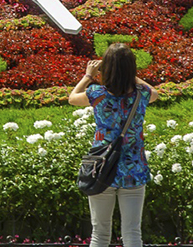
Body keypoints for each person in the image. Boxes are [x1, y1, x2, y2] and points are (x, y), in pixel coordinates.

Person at [68, 43, 159, 247]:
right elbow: (156, 93)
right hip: (134, 168)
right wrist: (128, 74)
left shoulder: (97, 94)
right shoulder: (141, 94)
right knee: (132, 232)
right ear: (132, 68)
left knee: (100, 233)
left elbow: (72, 98)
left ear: (106, 68)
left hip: (102, 168)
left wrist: (88, 75)